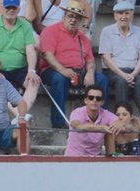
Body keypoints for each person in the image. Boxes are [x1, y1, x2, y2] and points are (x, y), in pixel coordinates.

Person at [39, 0, 108, 129]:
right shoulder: (51, 31)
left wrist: (90, 73)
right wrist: (63, 70)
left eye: (77, 18)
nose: (73, 20)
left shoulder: (83, 38)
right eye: (70, 16)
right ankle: (58, 123)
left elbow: (90, 61)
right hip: (53, 70)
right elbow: (48, 55)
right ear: (64, 16)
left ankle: (102, 120)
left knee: (102, 79)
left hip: (78, 71)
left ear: (81, 21)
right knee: (59, 79)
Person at [0, 0, 41, 113]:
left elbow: (30, 50)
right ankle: (21, 115)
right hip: (1, 69)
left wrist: (31, 70)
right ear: (2, 8)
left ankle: (21, 114)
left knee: (34, 81)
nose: (10, 10)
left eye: (13, 8)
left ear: (19, 9)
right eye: (8, 8)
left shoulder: (25, 25)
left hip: (21, 69)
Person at [100, 0, 140, 122]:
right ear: (115, 16)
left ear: (132, 15)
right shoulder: (107, 31)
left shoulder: (139, 31)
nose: (123, 17)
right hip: (113, 72)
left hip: (134, 71)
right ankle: (121, 119)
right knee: (121, 81)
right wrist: (124, 75)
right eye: (120, 13)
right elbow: (106, 58)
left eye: (127, 13)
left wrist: (132, 75)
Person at [65, 85, 119, 155]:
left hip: (95, 160)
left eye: (98, 98)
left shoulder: (106, 114)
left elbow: (121, 123)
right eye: (91, 98)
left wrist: (120, 124)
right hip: (73, 158)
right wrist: (103, 127)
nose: (94, 100)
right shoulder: (77, 112)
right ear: (85, 100)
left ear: (102, 102)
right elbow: (78, 126)